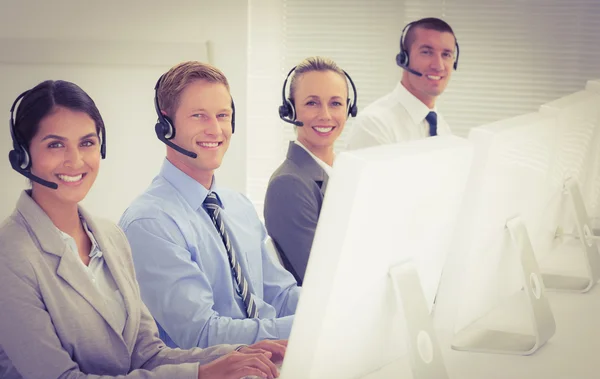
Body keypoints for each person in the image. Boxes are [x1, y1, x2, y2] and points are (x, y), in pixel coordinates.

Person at [0, 80, 286, 379]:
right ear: (23, 156)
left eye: (87, 143)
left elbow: (148, 355)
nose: (76, 160)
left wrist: (240, 353)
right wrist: (199, 376)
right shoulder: (10, 256)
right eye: (55, 145)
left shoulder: (110, 238)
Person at [119, 61, 301, 350]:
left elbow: (280, 295)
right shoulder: (150, 223)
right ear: (166, 125)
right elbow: (202, 335)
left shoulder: (238, 205)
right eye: (198, 116)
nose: (215, 129)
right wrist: (306, 328)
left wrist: (333, 307)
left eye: (222, 115)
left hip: (268, 369)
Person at [263, 56, 357, 285]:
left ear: (349, 109)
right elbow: (322, 280)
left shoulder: (346, 173)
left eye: (335, 103)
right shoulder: (289, 184)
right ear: (291, 110)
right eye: (312, 103)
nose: (325, 115)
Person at [347, 17, 458, 149]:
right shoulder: (374, 125)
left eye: (446, 55)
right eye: (427, 52)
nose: (439, 66)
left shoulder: (443, 128)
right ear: (404, 59)